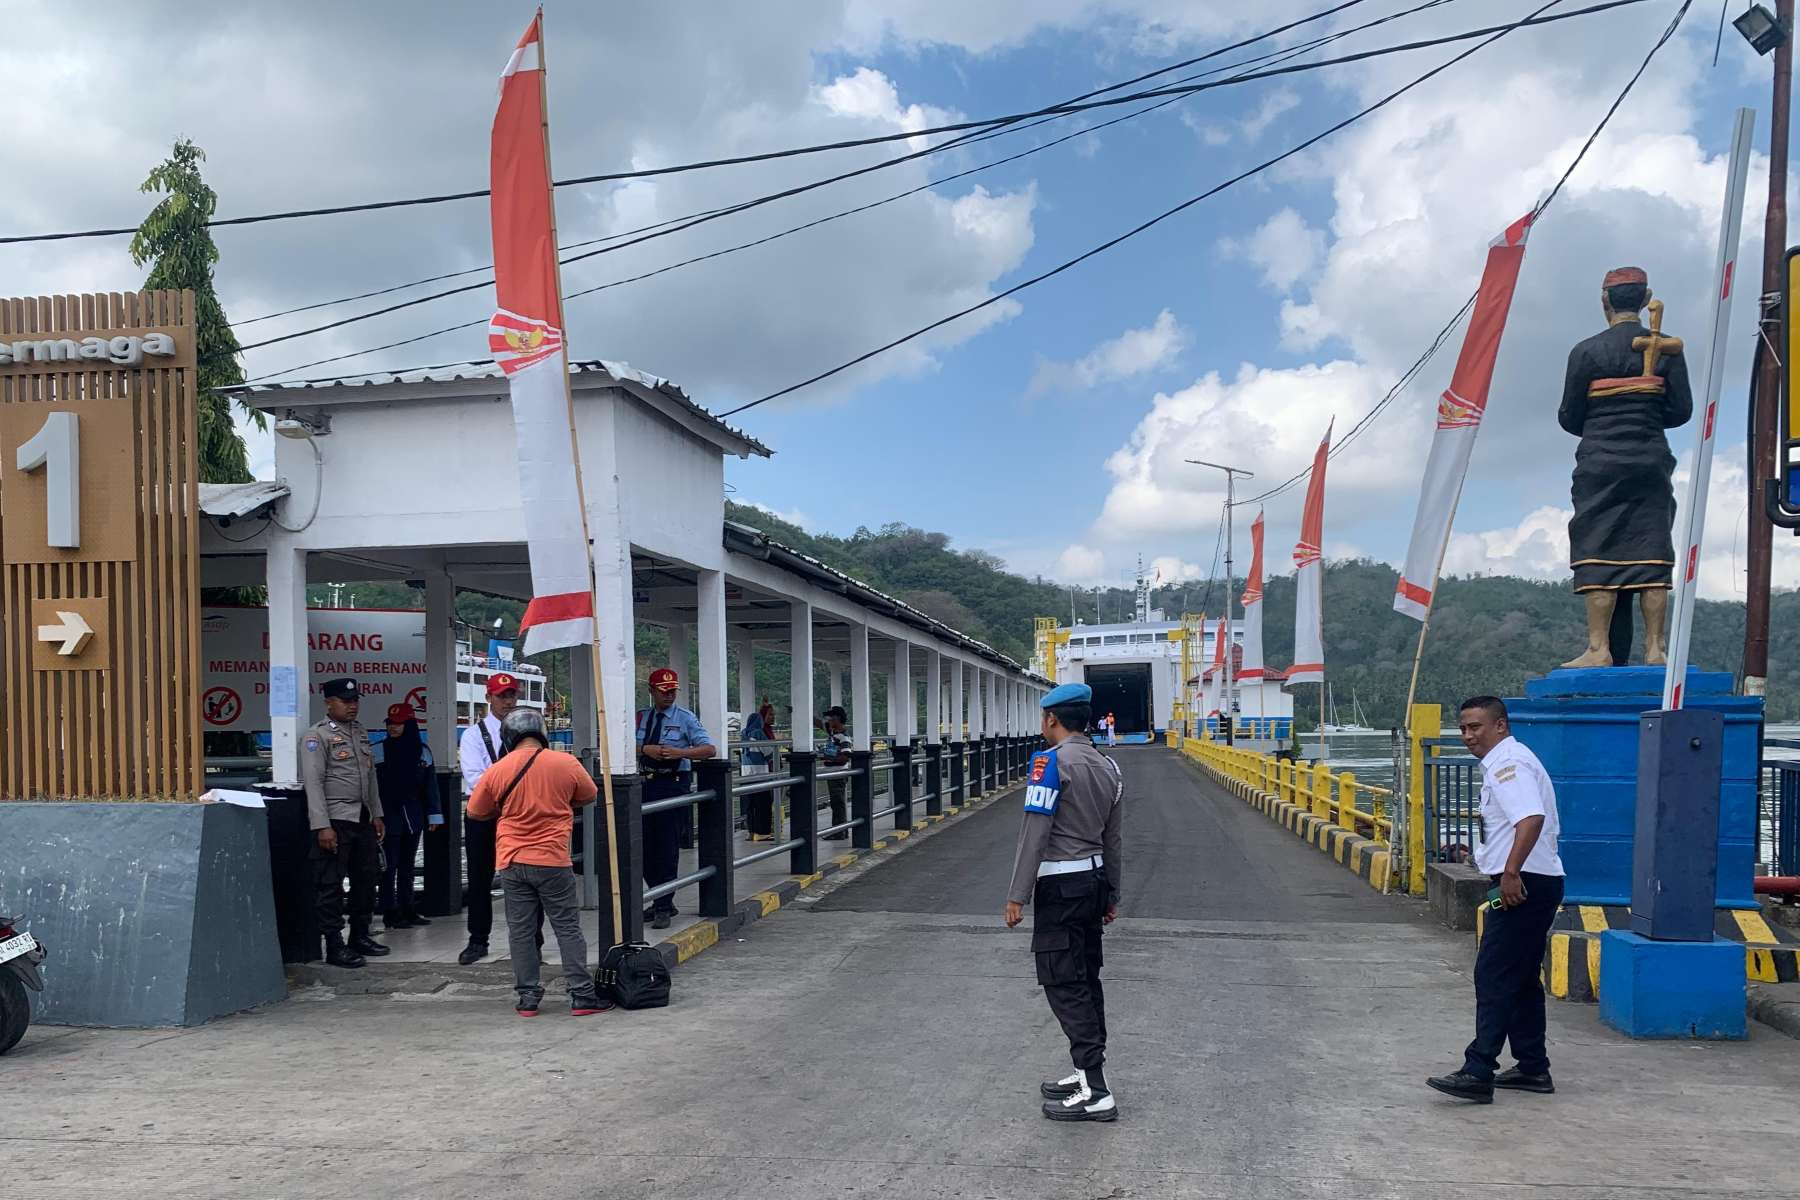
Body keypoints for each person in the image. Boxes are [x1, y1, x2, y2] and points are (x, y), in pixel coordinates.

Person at [1428, 696, 1566, 1104]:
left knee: (1493, 975)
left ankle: (1478, 1069)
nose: (1469, 735)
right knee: (1520, 979)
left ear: (1501, 726)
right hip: (1534, 879)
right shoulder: (1508, 761)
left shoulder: (1509, 765)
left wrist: (1509, 873)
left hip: (1524, 882)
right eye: (1464, 728)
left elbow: (1531, 818)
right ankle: (1532, 1066)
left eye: (1476, 726)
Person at [1557, 266, 1693, 668]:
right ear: (1645, 295)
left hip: (1600, 461)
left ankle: (1598, 649)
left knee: (1597, 546)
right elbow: (1680, 410)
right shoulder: (1666, 347)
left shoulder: (1586, 352)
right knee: (1651, 547)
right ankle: (1655, 648)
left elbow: (1569, 415)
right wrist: (1645, 405)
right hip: (1649, 458)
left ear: (1605, 300)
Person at [1005, 682, 1124, 1123]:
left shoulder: (1048, 764)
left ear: (1052, 720)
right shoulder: (1109, 766)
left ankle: (1097, 1091)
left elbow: (1034, 834)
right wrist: (1112, 892)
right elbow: (1114, 838)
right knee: (1086, 978)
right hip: (1093, 881)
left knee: (1063, 982)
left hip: (1061, 885)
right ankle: (1084, 1072)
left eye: (1043, 718)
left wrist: (1017, 895)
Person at [467, 708, 609, 1017]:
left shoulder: (498, 769)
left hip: (513, 861)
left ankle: (528, 997)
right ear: (541, 732)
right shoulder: (565, 763)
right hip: (553, 860)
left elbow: (476, 812)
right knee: (567, 928)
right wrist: (558, 802)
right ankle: (582, 995)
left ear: (508, 738)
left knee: (521, 931)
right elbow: (589, 794)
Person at [301, 677, 390, 969]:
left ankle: (360, 936)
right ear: (329, 702)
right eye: (345, 701)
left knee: (367, 880)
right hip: (335, 819)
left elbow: (372, 777)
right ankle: (335, 945)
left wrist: (376, 813)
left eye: (355, 700)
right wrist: (321, 825)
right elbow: (313, 783)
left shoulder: (360, 733)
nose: (352, 706)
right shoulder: (317, 736)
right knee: (331, 885)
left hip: (362, 818)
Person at [636, 667, 715, 929]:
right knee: (644, 847)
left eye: (672, 691)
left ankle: (662, 905)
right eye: (664, 691)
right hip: (645, 783)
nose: (669, 695)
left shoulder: (685, 718)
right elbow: (620, 744)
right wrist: (645, 749)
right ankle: (661, 897)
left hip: (672, 785)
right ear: (652, 691)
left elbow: (709, 749)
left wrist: (680, 753)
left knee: (667, 847)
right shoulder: (641, 718)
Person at [458, 673, 519, 965]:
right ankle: (477, 940)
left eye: (511, 696)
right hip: (484, 815)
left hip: (518, 816)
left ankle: (530, 941)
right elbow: (474, 779)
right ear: (489, 698)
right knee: (480, 879)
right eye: (501, 696)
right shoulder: (473, 735)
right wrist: (511, 788)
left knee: (523, 880)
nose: (507, 701)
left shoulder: (525, 734)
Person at [376, 703, 440, 930]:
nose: (393, 727)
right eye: (390, 723)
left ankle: (408, 909)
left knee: (407, 866)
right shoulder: (378, 751)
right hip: (387, 816)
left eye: (399, 723)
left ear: (410, 724)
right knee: (389, 866)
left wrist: (434, 815)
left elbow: (431, 786)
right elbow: (371, 786)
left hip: (413, 816)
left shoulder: (423, 752)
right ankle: (389, 911)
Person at [742, 700, 776, 842]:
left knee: (750, 806)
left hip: (745, 775)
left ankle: (751, 833)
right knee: (763, 804)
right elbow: (769, 753)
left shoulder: (743, 734)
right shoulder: (759, 733)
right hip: (760, 774)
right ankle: (762, 833)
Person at [818, 706, 852, 841]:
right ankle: (840, 830)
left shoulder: (843, 737)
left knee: (838, 803)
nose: (828, 720)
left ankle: (839, 831)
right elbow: (818, 723)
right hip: (832, 773)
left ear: (837, 718)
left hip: (838, 773)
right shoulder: (833, 733)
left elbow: (845, 757)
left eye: (831, 717)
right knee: (836, 802)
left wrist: (828, 757)